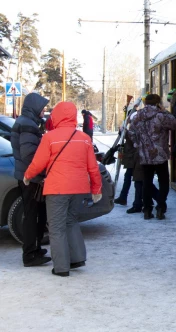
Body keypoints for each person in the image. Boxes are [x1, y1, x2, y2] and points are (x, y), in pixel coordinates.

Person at [24, 101, 103, 277]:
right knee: (71, 221)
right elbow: (93, 167)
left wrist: (28, 175)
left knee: (57, 227)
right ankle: (77, 258)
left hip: (57, 189)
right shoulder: (84, 138)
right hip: (78, 188)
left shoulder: (49, 137)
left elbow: (39, 163)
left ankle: (61, 267)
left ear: (56, 116)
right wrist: (96, 188)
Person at [10, 92, 51, 267]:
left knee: (37, 214)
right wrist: (41, 170)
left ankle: (34, 249)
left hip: (29, 176)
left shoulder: (27, 122)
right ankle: (29, 255)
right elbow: (29, 154)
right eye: (42, 107)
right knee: (31, 216)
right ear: (35, 107)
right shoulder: (27, 125)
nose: (44, 109)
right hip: (31, 179)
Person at [128, 93, 176, 220]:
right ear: (158, 103)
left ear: (145, 103)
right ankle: (161, 207)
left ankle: (147, 210)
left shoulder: (138, 116)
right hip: (160, 154)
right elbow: (174, 125)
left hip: (145, 155)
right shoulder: (161, 115)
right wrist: (165, 111)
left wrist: (137, 144)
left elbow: (131, 131)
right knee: (164, 181)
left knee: (147, 182)